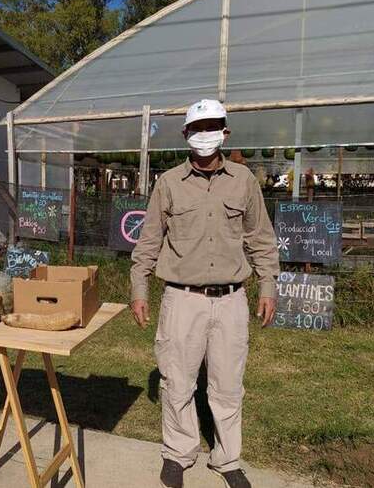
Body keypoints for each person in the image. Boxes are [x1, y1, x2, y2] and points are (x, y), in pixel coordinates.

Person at [130, 99, 279, 488]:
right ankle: (178, 453)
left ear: (225, 132)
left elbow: (261, 238)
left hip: (231, 300)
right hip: (182, 299)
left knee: (228, 384)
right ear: (185, 135)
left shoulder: (243, 181)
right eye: (197, 127)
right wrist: (138, 287)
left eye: (213, 125)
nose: (205, 134)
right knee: (177, 381)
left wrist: (267, 284)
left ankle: (227, 459)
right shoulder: (168, 184)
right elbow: (149, 241)